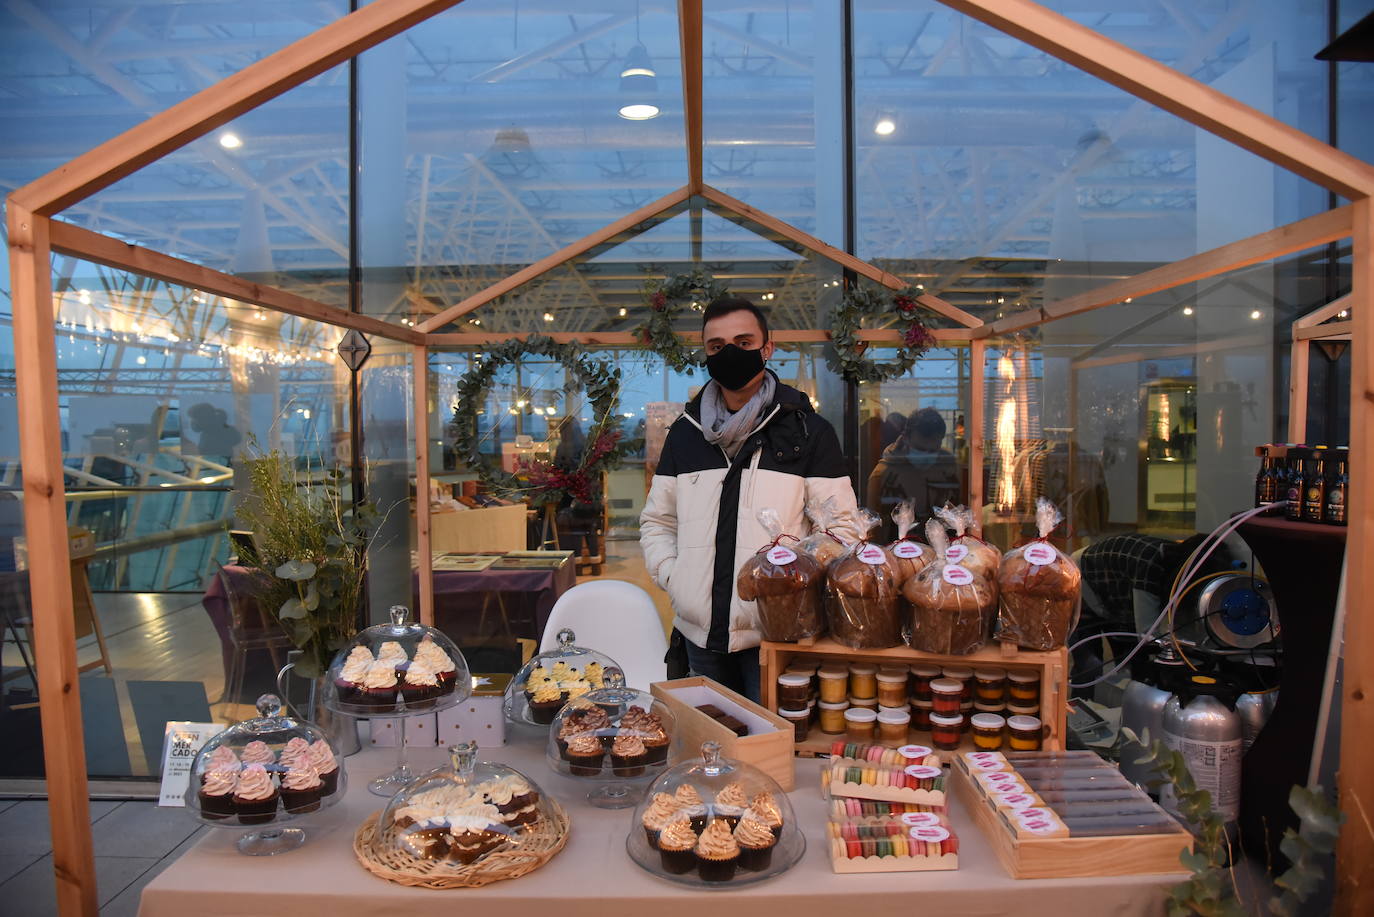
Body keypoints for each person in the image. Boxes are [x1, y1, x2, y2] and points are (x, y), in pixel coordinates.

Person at [640, 296, 860, 701]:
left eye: (743, 343)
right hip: (699, 634)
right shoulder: (685, 434)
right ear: (706, 353)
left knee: (771, 749)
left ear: (767, 348)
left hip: (776, 633)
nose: (730, 354)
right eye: (716, 346)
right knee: (709, 749)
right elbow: (658, 522)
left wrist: (792, 588)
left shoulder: (808, 432)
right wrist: (675, 578)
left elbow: (842, 530)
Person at [1069, 531, 1236, 692]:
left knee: (1133, 665)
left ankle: (1126, 711)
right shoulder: (1151, 563)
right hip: (1082, 584)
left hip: (1117, 596)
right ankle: (1079, 716)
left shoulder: (1180, 560)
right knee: (1090, 667)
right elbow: (1147, 631)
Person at [864, 408, 961, 542]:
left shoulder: (948, 467)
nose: (926, 456)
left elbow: (957, 511)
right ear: (906, 438)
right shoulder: (883, 474)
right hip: (895, 552)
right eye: (920, 448)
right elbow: (873, 527)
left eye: (933, 450)